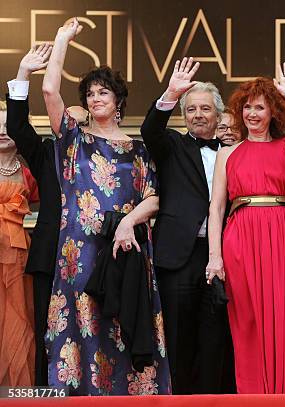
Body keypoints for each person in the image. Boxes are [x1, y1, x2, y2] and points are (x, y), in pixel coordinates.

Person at [41, 18, 169, 395]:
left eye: (103, 93)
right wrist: (62, 39)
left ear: (118, 102)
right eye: (91, 94)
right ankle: (82, 397)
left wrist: (129, 222)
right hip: (79, 251)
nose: (96, 99)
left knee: (122, 324)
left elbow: (154, 197)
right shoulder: (73, 139)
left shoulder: (137, 147)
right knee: (83, 323)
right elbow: (49, 89)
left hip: (124, 249)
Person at [206, 63, 285, 393]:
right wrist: (215, 257)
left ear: (272, 111)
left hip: (282, 235)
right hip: (240, 238)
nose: (252, 113)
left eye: (260, 107)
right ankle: (255, 395)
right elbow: (217, 208)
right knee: (248, 322)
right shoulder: (228, 153)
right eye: (247, 107)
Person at [140, 57, 234, 394]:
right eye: (191, 109)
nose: (198, 114)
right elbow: (150, 129)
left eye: (205, 109)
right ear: (183, 115)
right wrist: (170, 93)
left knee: (215, 339)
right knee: (178, 339)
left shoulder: (232, 152)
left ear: (218, 115)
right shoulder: (172, 146)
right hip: (179, 256)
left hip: (221, 255)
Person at [6, 44, 60, 387]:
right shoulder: (47, 155)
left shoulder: (106, 157)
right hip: (48, 255)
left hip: (93, 259)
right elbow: (18, 127)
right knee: (40, 330)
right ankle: (43, 392)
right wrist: (23, 74)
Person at [0, 96, 38, 386]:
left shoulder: (29, 172)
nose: (2, 131)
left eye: (6, 125)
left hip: (17, 253)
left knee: (18, 317)